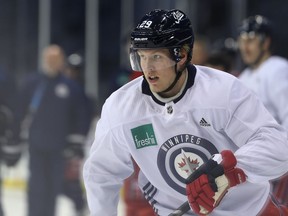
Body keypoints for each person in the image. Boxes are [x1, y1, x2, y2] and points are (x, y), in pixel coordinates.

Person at [83, 9, 288, 216]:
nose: (147, 68)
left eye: (156, 56)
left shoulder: (223, 92)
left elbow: (279, 147)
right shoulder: (122, 107)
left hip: (249, 211)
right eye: (141, 57)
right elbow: (101, 172)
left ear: (181, 55)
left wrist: (230, 170)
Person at [16, 45, 91, 216]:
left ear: (61, 62)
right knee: (36, 188)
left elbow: (80, 116)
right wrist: (13, 137)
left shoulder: (70, 87)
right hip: (36, 147)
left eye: (56, 59)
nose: (52, 62)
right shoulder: (32, 83)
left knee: (53, 189)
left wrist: (76, 142)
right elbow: (19, 111)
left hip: (59, 149)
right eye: (49, 58)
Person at [238, 15, 288, 208]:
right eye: (242, 41)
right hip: (256, 166)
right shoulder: (245, 76)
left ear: (265, 42)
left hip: (278, 164)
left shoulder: (277, 69)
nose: (244, 47)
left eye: (250, 40)